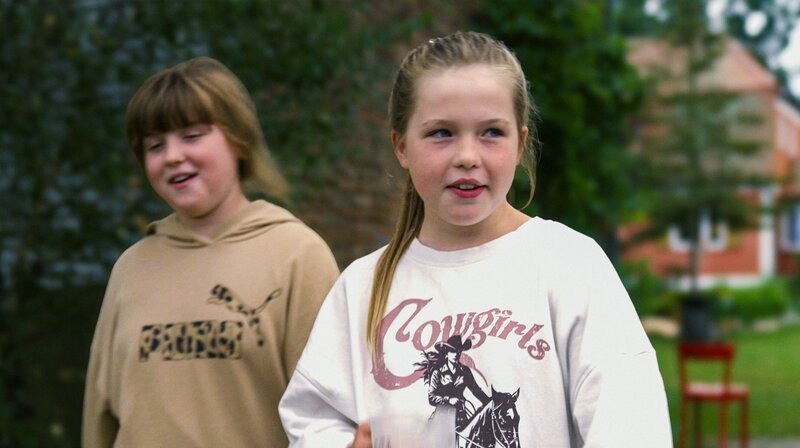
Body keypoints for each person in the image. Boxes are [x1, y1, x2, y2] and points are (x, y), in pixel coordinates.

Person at [278, 31, 672, 447]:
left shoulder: (569, 264)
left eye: (490, 133)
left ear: (520, 144)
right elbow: (312, 419)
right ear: (401, 147)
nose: (467, 155)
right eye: (442, 133)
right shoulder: (361, 288)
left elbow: (631, 423)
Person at [82, 57, 340, 447]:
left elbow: (330, 419)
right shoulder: (131, 268)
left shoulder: (297, 255)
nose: (171, 156)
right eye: (155, 145)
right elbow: (99, 418)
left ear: (238, 139)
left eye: (191, 135)